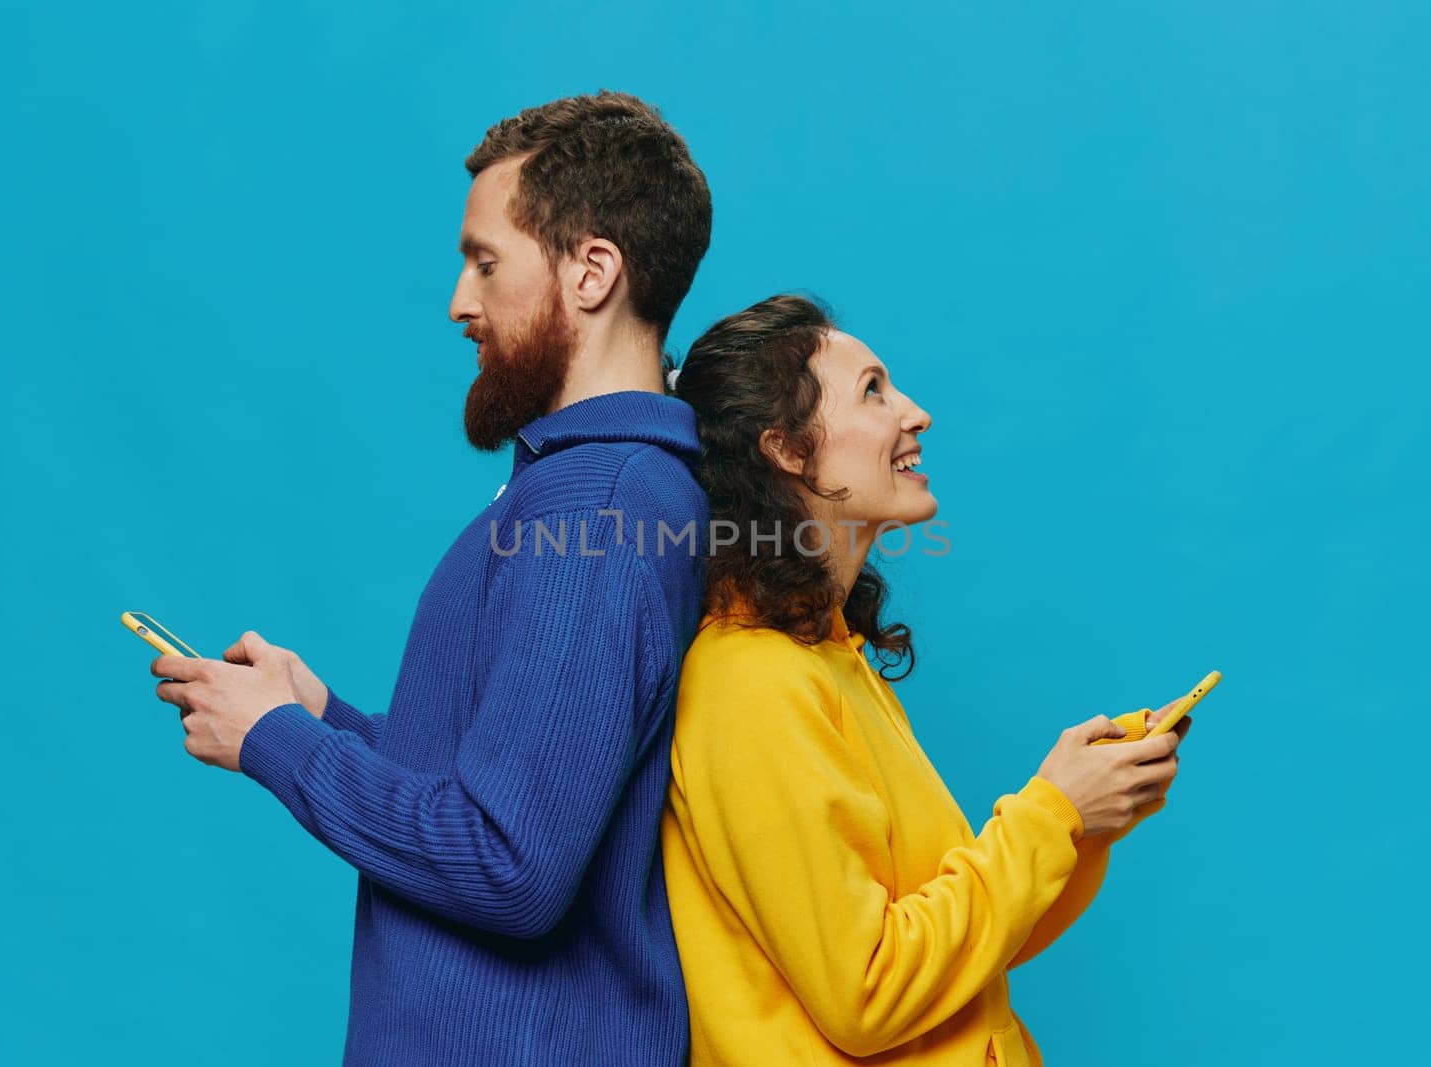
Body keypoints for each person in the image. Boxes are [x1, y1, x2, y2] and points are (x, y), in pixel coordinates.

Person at [151, 91, 712, 1065]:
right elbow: (499, 789)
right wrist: (319, 714)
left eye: (487, 262)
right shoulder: (572, 492)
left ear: (591, 271)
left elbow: (513, 865)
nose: (460, 299)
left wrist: (276, 742)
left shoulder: (600, 507)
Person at [661, 293, 1190, 1065]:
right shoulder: (749, 683)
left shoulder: (830, 660)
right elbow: (868, 991)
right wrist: (1049, 814)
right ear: (787, 449)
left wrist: (1081, 824)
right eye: (873, 389)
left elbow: (960, 954)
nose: (916, 413)